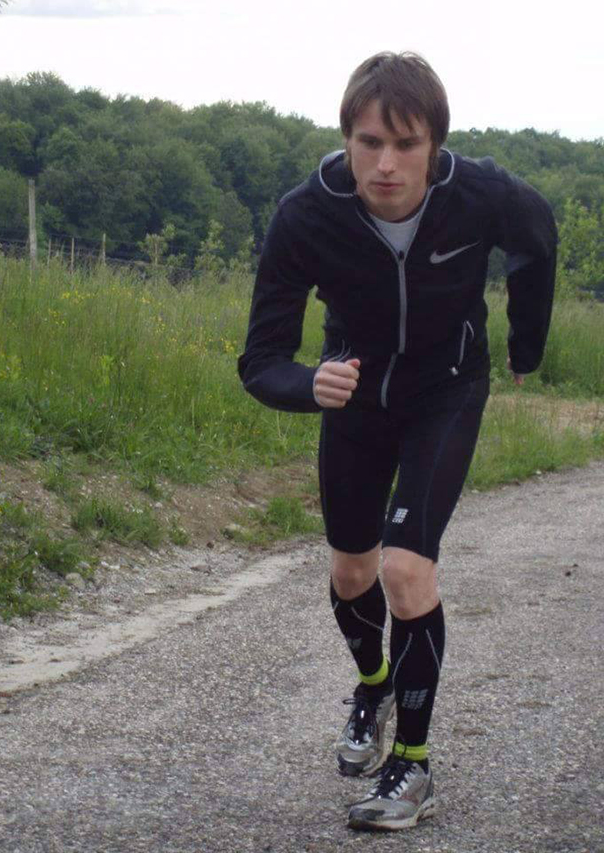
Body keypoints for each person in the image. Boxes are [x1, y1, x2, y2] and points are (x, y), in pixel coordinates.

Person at [238, 51, 557, 832]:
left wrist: (525, 343)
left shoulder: (481, 192)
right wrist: (306, 383)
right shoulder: (305, 214)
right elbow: (260, 358)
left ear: (434, 146)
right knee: (353, 572)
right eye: (370, 142)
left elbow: (537, 240)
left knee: (407, 569)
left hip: (447, 388)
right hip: (356, 393)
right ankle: (373, 684)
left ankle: (412, 764)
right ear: (347, 138)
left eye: (406, 144)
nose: (386, 164)